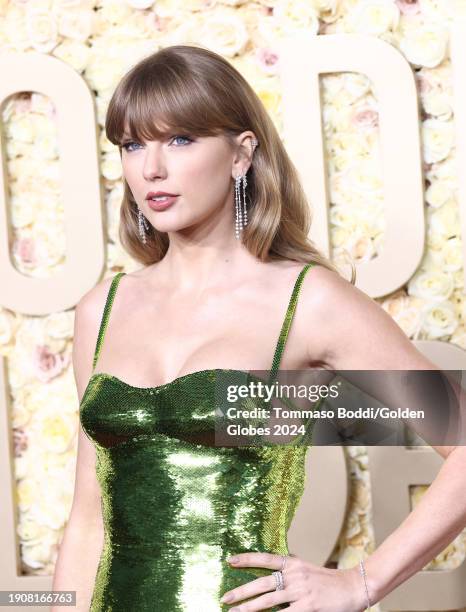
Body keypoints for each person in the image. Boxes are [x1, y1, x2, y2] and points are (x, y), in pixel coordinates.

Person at [51, 45, 466, 612]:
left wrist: (362, 583)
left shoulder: (309, 301)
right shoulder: (102, 307)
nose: (151, 168)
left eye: (180, 139)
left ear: (241, 154)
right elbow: (86, 520)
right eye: (132, 144)